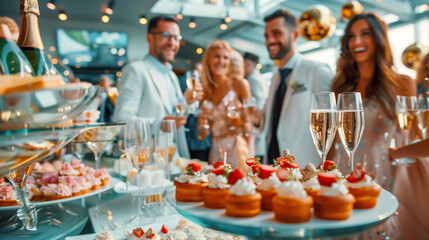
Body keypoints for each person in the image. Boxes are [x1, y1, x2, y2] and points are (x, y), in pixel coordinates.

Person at [328, 13, 417, 239]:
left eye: (365, 34)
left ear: (379, 38)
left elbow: (416, 138)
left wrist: (397, 153)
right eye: (351, 36)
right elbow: (333, 144)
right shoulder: (340, 87)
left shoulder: (401, 84)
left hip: (380, 184)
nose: (357, 42)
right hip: (341, 184)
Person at [113, 15, 202, 158]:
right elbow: (122, 122)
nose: (172, 42)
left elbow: (175, 117)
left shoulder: (171, 75)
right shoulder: (135, 70)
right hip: (147, 162)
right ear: (149, 38)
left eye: (176, 38)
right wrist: (159, 125)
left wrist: (187, 102)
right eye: (166, 35)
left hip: (174, 159)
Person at [254, 9, 333, 165]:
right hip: (272, 167)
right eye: (267, 36)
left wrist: (323, 167)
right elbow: (269, 122)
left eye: (276, 33)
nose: (269, 41)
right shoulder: (276, 76)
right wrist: (254, 117)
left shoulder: (316, 70)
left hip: (305, 168)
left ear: (295, 35)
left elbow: (332, 125)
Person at [197, 40, 252, 168]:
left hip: (238, 149)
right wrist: (201, 120)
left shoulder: (240, 84)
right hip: (215, 150)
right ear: (208, 60)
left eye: (225, 57)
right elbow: (201, 135)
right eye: (217, 56)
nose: (221, 61)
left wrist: (250, 157)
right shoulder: (206, 92)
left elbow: (250, 124)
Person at [243, 52, 268, 160]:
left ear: (247, 64)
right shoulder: (258, 77)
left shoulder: (252, 79)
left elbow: (257, 106)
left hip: (256, 135)